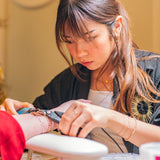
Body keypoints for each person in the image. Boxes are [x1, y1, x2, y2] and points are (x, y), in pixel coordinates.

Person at [1, 0, 160, 154]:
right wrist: (19, 116)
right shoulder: (68, 81)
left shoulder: (154, 72)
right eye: (69, 41)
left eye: (89, 37)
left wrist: (110, 118)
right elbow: (22, 138)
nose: (79, 53)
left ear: (117, 27)